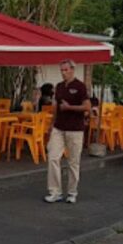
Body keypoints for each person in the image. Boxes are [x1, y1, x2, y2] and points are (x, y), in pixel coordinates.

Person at [45, 60, 90, 204]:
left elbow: (87, 107)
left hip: (75, 129)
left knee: (73, 162)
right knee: (53, 157)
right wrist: (52, 124)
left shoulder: (80, 86)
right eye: (61, 70)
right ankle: (55, 191)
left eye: (65, 70)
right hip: (59, 128)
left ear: (72, 70)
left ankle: (72, 192)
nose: (63, 73)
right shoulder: (58, 87)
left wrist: (70, 107)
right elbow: (56, 107)